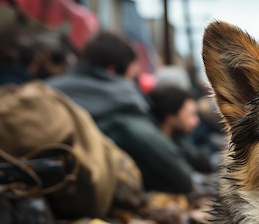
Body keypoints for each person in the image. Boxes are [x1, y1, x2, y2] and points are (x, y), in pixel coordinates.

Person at [47, 31, 194, 194]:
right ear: (112, 70)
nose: (133, 85)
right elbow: (181, 176)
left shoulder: (47, 90)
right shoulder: (122, 108)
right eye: (131, 77)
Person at [147, 84, 218, 173]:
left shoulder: (180, 142)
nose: (196, 121)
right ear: (170, 118)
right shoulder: (158, 155)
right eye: (191, 115)